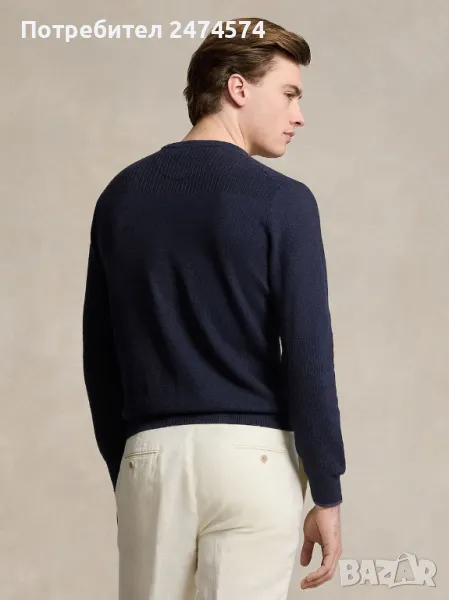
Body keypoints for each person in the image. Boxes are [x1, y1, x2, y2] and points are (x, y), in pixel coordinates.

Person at [82, 16, 346, 600]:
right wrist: (327, 489)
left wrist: (131, 467)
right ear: (238, 88)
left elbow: (99, 357)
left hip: (150, 455)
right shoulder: (284, 201)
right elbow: (308, 355)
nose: (299, 115)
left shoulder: (120, 197)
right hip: (255, 462)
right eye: (290, 94)